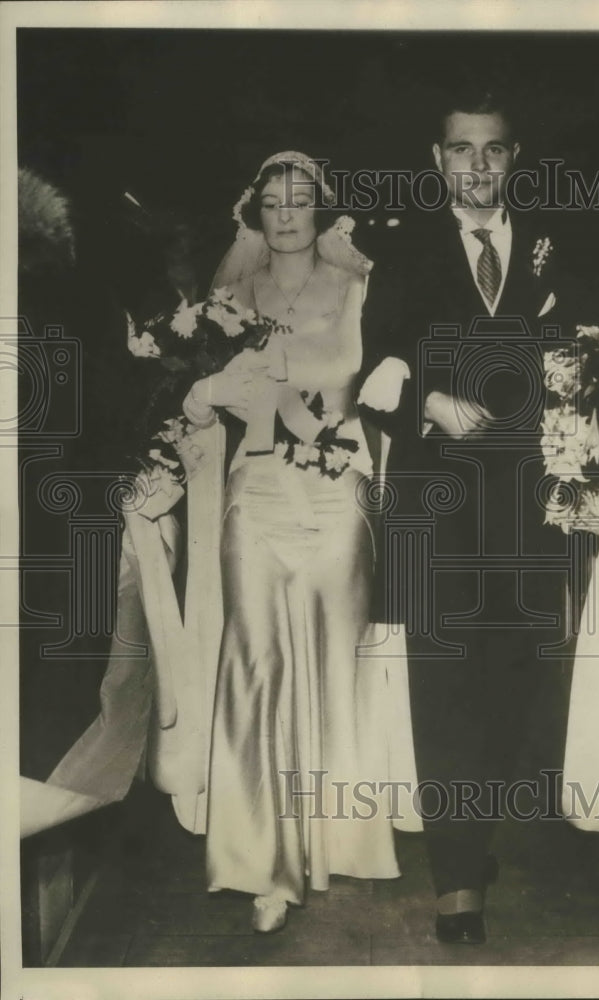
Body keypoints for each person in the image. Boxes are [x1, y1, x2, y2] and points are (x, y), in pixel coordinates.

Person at [359, 89, 575, 944]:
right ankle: (456, 877)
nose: (476, 167)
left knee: (514, 674)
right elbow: (376, 363)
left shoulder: (559, 249)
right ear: (436, 159)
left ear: (513, 158)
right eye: (460, 151)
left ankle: (475, 827)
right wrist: (427, 398)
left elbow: (591, 345)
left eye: (492, 151)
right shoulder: (402, 250)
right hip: (434, 502)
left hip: (531, 497)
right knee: (444, 675)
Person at [181, 152, 411, 934]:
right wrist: (202, 393)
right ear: (255, 209)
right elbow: (193, 409)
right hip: (258, 496)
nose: (285, 213)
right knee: (254, 663)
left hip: (337, 494)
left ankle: (341, 838)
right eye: (272, 200)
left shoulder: (360, 286)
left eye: (300, 198)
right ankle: (262, 866)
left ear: (321, 205)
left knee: (338, 663)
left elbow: (390, 367)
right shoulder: (225, 299)